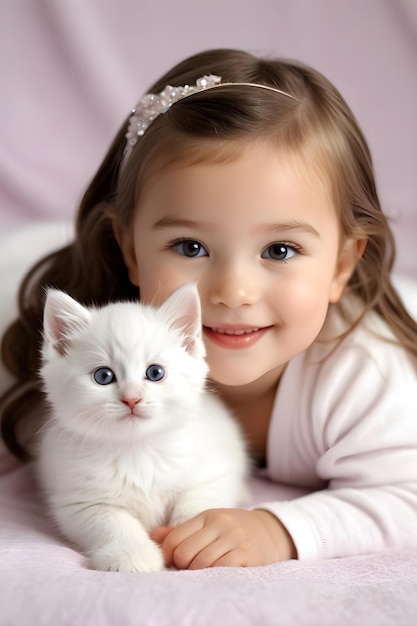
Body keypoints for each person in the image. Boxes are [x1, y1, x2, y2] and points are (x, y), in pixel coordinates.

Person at [1, 48, 417, 569]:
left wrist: (280, 528)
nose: (232, 290)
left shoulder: (364, 375)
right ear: (130, 250)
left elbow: (408, 496)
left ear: (339, 267)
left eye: (279, 250)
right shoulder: (107, 345)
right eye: (191, 247)